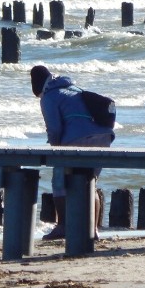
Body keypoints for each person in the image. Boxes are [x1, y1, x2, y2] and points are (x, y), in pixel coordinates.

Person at [30, 65, 115, 241]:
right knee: (90, 182)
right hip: (104, 136)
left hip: (79, 139)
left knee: (59, 180)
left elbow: (54, 129)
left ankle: (63, 227)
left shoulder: (49, 96)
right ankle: (93, 230)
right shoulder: (74, 89)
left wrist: (56, 150)